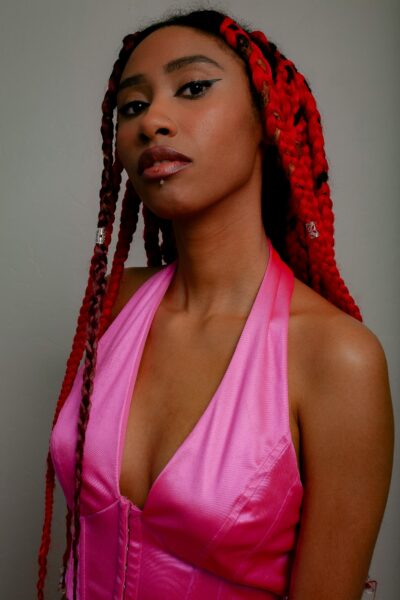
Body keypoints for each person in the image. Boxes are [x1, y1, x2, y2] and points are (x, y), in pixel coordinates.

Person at [36, 8, 394, 600]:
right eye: (133, 105)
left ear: (265, 121)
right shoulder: (112, 304)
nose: (154, 120)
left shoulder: (338, 359)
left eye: (193, 87)